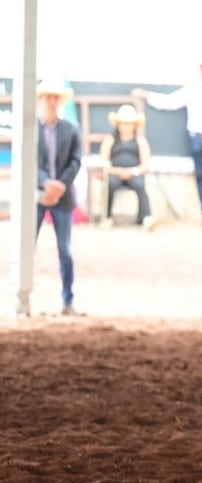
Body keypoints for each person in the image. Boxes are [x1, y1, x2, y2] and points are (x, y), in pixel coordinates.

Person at [132, 57, 202, 222]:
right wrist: (147, 96)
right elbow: (170, 101)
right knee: (200, 175)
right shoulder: (193, 88)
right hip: (197, 136)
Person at [35, 79, 83, 316]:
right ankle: (24, 297)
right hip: (35, 195)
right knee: (27, 248)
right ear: (41, 100)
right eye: (48, 98)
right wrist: (46, 181)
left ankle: (68, 299)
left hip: (62, 196)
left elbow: (76, 161)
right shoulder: (30, 130)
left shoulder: (70, 129)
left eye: (55, 98)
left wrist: (60, 184)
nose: (52, 102)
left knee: (64, 248)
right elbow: (28, 161)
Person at [99, 104, 153, 229]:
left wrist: (133, 171)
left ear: (135, 125)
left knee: (140, 184)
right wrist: (115, 171)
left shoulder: (141, 141)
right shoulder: (110, 140)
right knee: (110, 184)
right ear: (118, 124)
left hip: (133, 173)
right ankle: (107, 216)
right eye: (123, 123)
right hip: (114, 174)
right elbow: (104, 162)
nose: (126, 126)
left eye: (129, 123)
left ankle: (145, 217)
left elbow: (146, 165)